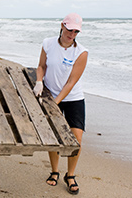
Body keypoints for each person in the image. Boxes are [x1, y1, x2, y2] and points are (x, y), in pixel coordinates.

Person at [33, 13, 88, 195]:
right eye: (69, 29)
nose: (72, 34)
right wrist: (39, 82)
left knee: (76, 139)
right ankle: (55, 171)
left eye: (75, 31)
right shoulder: (48, 43)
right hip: (50, 93)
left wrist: (56, 103)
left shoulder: (81, 52)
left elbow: (71, 82)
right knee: (54, 137)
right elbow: (41, 66)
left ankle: (70, 175)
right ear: (62, 26)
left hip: (73, 98)